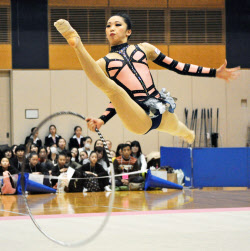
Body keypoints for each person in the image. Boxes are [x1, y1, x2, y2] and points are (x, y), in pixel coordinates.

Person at [54, 14, 240, 143]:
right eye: (108, 25)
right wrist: (103, 119)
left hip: (159, 107)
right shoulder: (105, 62)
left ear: (128, 32)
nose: (112, 28)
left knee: (181, 130)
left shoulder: (145, 48)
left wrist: (214, 72)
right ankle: (76, 42)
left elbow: (178, 66)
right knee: (114, 90)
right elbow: (118, 99)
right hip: (138, 117)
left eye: (117, 25)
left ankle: (189, 135)